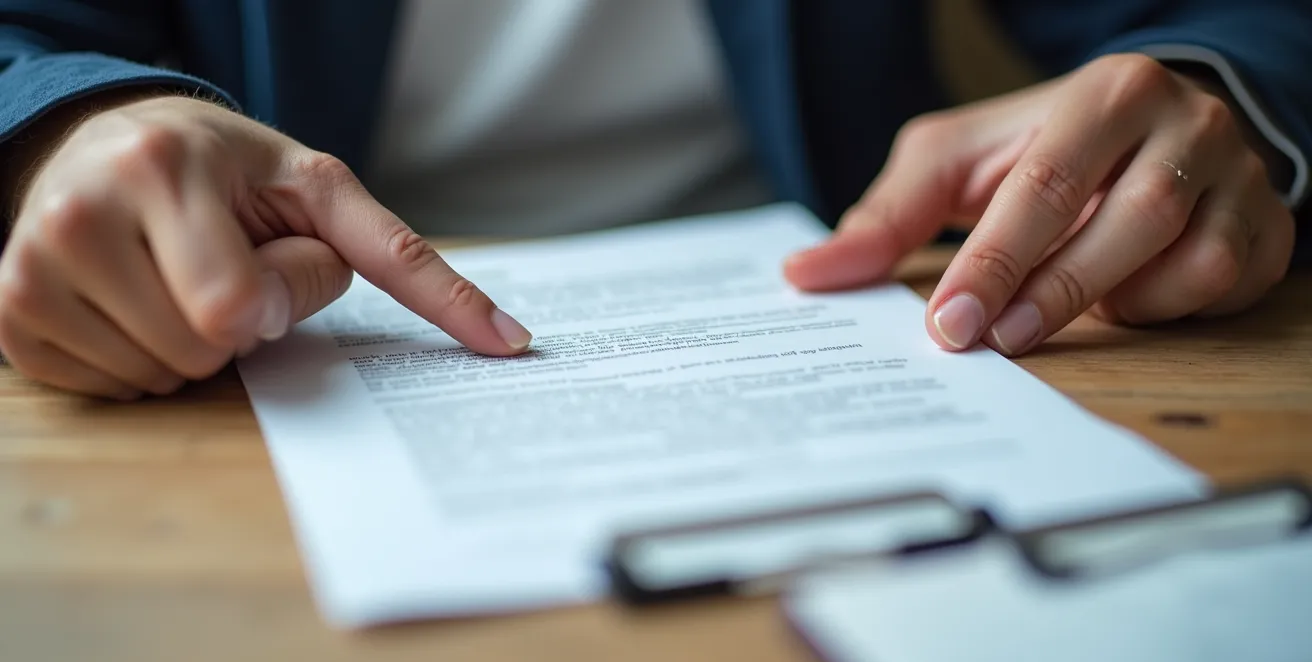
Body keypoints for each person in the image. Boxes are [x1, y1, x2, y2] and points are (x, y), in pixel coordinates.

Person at [0, 1, 1308, 401]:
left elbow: (1242, 16)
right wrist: (64, 126)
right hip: (272, 357)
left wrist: (1216, 92)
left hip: (854, 340)